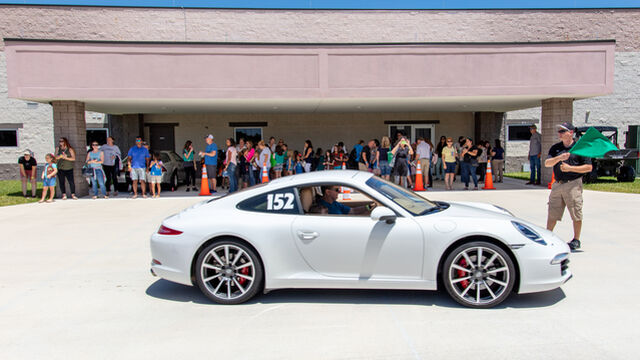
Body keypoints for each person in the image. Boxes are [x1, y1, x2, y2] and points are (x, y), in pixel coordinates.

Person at [544, 122, 593, 251]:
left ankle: (576, 240)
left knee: (576, 212)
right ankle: (548, 236)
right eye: (559, 131)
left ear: (570, 133)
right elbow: (547, 163)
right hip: (558, 184)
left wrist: (570, 168)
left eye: (562, 131)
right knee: (552, 212)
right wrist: (559, 158)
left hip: (573, 184)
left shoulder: (581, 148)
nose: (559, 133)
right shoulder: (556, 148)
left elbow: (588, 167)